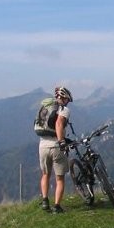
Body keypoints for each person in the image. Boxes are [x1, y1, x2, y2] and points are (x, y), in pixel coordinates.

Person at [38, 86, 73, 214]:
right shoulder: (64, 109)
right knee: (60, 178)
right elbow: (58, 124)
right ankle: (57, 206)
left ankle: (45, 201)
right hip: (56, 146)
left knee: (45, 174)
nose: (67, 102)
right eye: (67, 100)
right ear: (64, 98)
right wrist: (61, 141)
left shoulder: (46, 107)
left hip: (42, 145)